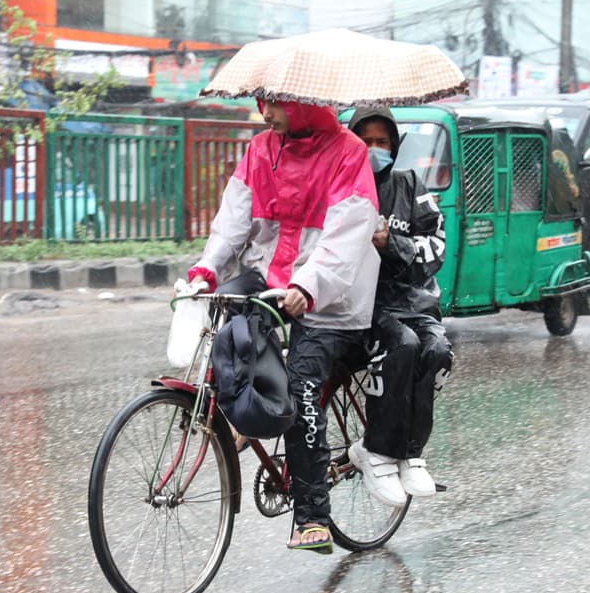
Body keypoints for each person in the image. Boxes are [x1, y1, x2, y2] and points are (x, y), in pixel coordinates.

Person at [186, 99, 380, 554]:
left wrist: (309, 285)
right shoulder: (259, 150)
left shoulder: (349, 153)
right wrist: (207, 268)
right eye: (263, 103)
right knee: (226, 316)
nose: (265, 113)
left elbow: (346, 236)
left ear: (300, 103)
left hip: (332, 297)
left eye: (273, 104)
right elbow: (232, 222)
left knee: (302, 385)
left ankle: (313, 515)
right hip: (272, 273)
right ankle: (242, 416)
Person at [347, 107, 454, 507]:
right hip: (367, 306)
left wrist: (394, 243)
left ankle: (411, 452)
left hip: (416, 302)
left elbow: (437, 246)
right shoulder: (343, 189)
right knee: (403, 345)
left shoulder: (411, 187)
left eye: (382, 141)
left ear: (395, 145)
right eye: (365, 140)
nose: (374, 149)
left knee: (437, 351)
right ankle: (375, 449)